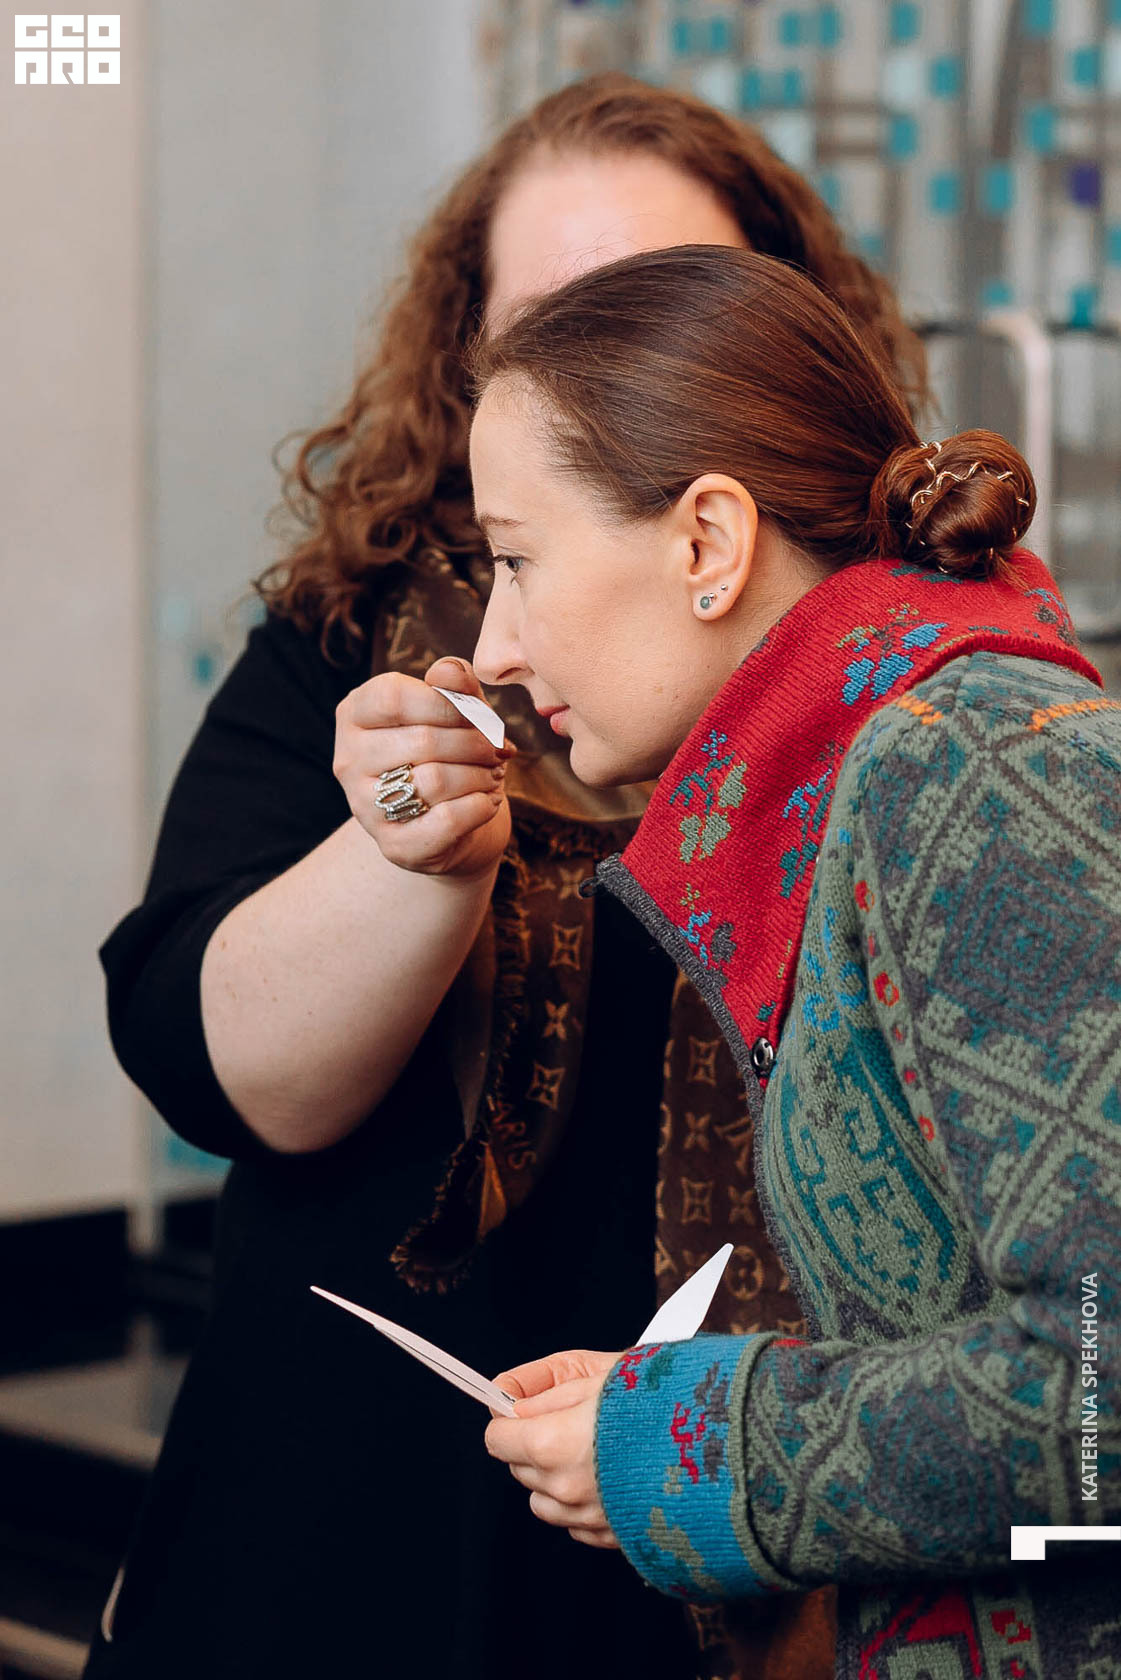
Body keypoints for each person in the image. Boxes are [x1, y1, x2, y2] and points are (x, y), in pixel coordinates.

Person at [89, 76, 927, 1680]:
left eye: (662, 303)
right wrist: (406, 861)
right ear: (469, 357)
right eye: (548, 323)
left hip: (747, 1533)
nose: (602, 360)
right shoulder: (355, 640)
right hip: (355, 1533)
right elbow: (206, 1063)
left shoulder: (927, 729)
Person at [468, 245, 1121, 1680]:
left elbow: (1102, 1387)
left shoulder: (971, 768)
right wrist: (665, 1405)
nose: (494, 644)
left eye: (515, 559)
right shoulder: (891, 773)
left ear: (707, 542)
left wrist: (706, 1446)